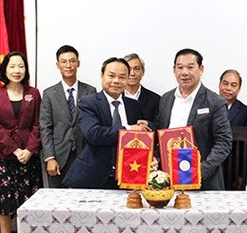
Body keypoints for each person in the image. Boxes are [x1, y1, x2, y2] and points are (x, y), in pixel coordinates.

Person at [0, 51, 42, 233]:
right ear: (5, 70)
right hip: (4, 158)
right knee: (3, 209)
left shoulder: (33, 93)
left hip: (28, 159)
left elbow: (38, 124)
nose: (17, 70)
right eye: (12, 66)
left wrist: (29, 150)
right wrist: (14, 150)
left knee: (24, 206)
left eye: (21, 66)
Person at [62, 57, 149, 189]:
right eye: (111, 76)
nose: (116, 81)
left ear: (127, 80)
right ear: (102, 77)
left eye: (122, 77)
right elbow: (94, 134)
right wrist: (128, 129)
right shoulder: (88, 103)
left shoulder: (134, 106)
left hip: (128, 176)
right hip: (94, 177)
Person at [157, 48, 232, 190]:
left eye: (190, 67)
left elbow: (224, 142)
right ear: (174, 70)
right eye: (180, 67)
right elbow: (160, 131)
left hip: (204, 181)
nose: (184, 72)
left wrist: (200, 171)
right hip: (168, 179)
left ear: (201, 69)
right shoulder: (166, 99)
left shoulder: (215, 102)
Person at [40, 45, 97, 188]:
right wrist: (50, 157)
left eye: (72, 61)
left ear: (78, 63)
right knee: (58, 198)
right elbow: (45, 128)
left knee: (84, 197)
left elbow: (94, 125)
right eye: (64, 62)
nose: (68, 65)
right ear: (57, 65)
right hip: (59, 157)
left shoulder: (90, 91)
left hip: (84, 155)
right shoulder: (49, 94)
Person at [124, 53, 160, 123]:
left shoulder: (155, 100)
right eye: (128, 69)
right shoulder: (115, 98)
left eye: (136, 69)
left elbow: (159, 125)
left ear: (143, 72)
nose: (132, 73)